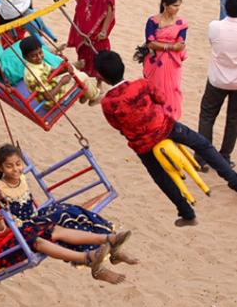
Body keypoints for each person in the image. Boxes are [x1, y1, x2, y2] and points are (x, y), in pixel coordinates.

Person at [96, 49, 237, 226]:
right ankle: (233, 179)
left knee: (161, 177)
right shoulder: (142, 84)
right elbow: (161, 99)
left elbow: (117, 126)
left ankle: (186, 213)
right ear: (123, 66)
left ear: (101, 77)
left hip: (143, 143)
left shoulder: (108, 103)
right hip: (165, 128)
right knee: (202, 145)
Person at [0, 174, 129, 282]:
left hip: (12, 237)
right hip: (0, 253)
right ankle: (86, 257)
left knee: (53, 229)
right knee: (37, 241)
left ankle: (108, 239)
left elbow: (3, 230)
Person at [0, 144, 136, 275]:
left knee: (71, 210)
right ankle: (105, 247)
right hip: (24, 227)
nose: (16, 169)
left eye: (18, 164)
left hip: (36, 216)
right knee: (63, 216)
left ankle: (113, 247)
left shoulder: (21, 177)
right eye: (9, 166)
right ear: (1, 168)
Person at [198, 0, 237, 167]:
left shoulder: (215, 26)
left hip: (216, 79)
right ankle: (225, 156)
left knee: (207, 116)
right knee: (233, 120)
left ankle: (202, 157)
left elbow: (212, 42)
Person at [140, 0, 187, 120]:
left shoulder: (181, 23)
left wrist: (161, 45)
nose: (177, 9)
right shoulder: (153, 21)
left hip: (172, 63)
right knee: (155, 88)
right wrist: (170, 47)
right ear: (165, 5)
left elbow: (181, 43)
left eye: (179, 6)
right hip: (156, 63)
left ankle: (170, 118)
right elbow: (150, 43)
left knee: (173, 88)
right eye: (174, 5)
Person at [67, 0, 115, 75]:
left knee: (98, 53)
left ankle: (99, 81)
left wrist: (104, 30)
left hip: (96, 28)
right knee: (83, 53)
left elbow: (109, 9)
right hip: (83, 24)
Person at [20, 36, 99, 106]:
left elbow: (50, 72)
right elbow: (48, 97)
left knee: (73, 69)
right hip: (52, 100)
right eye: (34, 56)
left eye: (40, 52)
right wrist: (61, 82)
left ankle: (87, 93)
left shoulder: (36, 63)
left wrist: (65, 69)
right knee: (83, 76)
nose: (39, 57)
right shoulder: (34, 74)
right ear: (25, 57)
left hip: (52, 84)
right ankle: (94, 97)